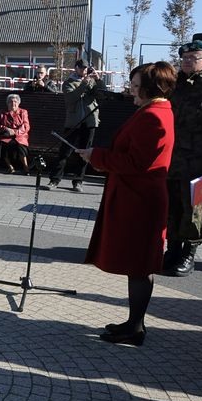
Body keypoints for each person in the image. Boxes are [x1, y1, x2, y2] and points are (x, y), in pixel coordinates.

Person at [77, 62, 176, 346]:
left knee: (139, 264)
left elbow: (137, 163)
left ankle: (135, 327)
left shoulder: (153, 117)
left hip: (140, 200)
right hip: (139, 196)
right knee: (138, 264)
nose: (130, 91)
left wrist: (97, 156)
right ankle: (134, 323)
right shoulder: (154, 111)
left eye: (135, 86)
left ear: (150, 88)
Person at [162, 40, 202, 277]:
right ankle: (171, 250)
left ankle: (188, 254)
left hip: (200, 162)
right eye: (184, 58)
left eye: (192, 58)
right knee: (171, 206)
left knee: (193, 209)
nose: (186, 61)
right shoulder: (174, 86)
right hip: (172, 159)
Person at [47, 59, 106, 192]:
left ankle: (78, 181)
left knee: (85, 153)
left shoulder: (91, 81)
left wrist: (98, 80)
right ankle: (54, 180)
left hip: (90, 121)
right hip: (73, 122)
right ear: (76, 68)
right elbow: (71, 98)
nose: (85, 70)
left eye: (87, 68)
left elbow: (102, 94)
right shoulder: (68, 82)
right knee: (64, 152)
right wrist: (83, 85)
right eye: (82, 68)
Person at [0, 93, 31, 174]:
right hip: (6, 135)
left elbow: (26, 126)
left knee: (21, 146)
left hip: (20, 135)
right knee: (4, 145)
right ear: (7, 103)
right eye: (11, 102)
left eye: (15, 101)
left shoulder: (23, 112)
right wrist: (6, 129)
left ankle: (26, 167)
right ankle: (10, 167)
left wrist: (15, 132)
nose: (13, 103)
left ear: (18, 103)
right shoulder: (2, 113)